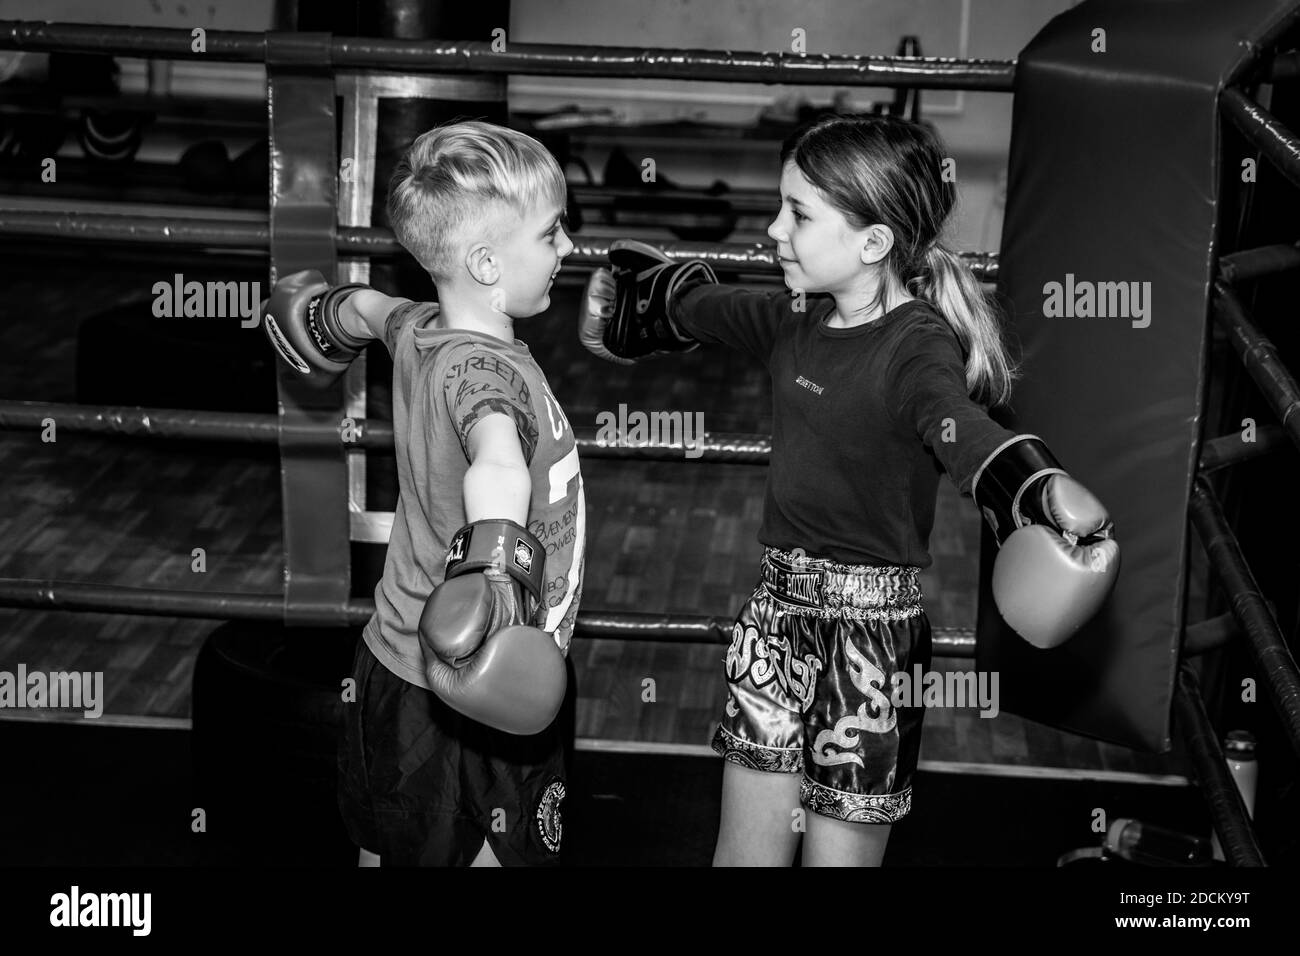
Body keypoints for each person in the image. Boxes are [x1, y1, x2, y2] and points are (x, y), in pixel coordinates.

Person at [579, 113, 1118, 867]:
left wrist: (1022, 484)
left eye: (798, 213)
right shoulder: (796, 318)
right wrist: (662, 302)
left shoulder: (915, 345)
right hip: (774, 620)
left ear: (873, 243)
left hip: (872, 644)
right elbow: (717, 310)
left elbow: (955, 421)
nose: (773, 228)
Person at [261, 120, 584, 866]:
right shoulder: (486, 375)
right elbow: (497, 460)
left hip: (409, 664)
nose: (567, 248)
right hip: (459, 669)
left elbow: (373, 311)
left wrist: (328, 313)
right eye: (550, 233)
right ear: (485, 262)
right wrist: (494, 573)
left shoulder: (422, 327)